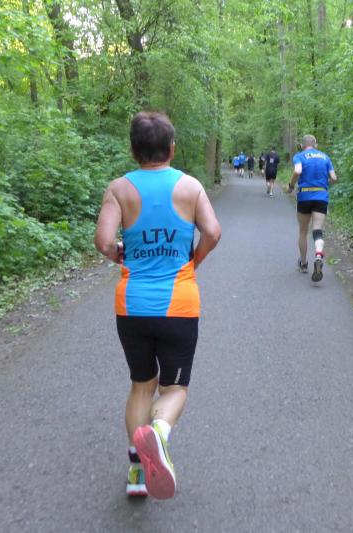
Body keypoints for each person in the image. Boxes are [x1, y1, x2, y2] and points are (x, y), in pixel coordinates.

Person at [94, 111, 221, 499]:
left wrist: (121, 255)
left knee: (141, 386)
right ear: (172, 148)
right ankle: (160, 433)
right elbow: (213, 232)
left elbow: (104, 241)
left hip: (132, 305)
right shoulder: (190, 187)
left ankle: (138, 471)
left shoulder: (119, 188)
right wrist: (194, 260)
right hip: (179, 303)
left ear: (133, 150)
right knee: (174, 388)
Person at [288, 134, 337, 282]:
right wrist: (323, 184)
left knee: (303, 231)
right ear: (315, 144)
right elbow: (334, 178)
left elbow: (297, 171)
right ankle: (318, 255)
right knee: (317, 230)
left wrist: (291, 185)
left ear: (302, 145)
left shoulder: (299, 156)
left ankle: (304, 264)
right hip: (321, 196)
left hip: (305, 196)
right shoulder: (325, 157)